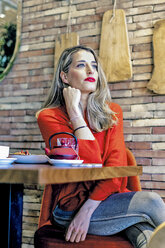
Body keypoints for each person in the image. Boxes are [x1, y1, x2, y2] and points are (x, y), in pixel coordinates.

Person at [37, 45, 165, 248]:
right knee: (151, 202)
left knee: (148, 236)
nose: (91, 71)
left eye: (94, 66)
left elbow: (115, 171)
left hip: (110, 201)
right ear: (65, 77)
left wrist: (87, 211)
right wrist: (74, 112)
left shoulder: (112, 112)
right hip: (70, 209)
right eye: (81, 65)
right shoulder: (49, 116)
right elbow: (91, 163)